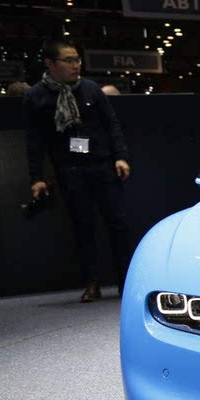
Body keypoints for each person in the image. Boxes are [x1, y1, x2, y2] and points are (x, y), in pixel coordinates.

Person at [24, 37, 132, 302]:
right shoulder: (36, 96)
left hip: (103, 164)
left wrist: (120, 157)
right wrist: (37, 177)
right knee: (83, 226)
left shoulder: (91, 89)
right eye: (68, 60)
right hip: (69, 169)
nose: (75, 65)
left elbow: (112, 124)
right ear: (50, 63)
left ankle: (126, 281)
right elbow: (34, 139)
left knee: (118, 223)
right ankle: (91, 282)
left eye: (77, 60)